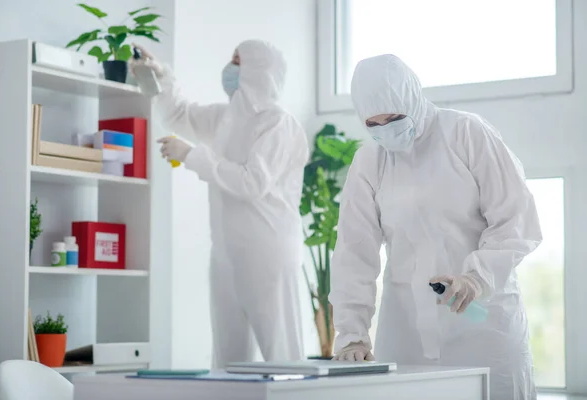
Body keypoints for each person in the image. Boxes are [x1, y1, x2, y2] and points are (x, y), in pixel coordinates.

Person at [329, 54, 542, 399]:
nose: (387, 130)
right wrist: (352, 333)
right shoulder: (370, 161)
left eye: (395, 118)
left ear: (413, 99)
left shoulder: (466, 134)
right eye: (374, 124)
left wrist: (476, 277)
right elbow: (354, 251)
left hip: (481, 323)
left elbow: (516, 218)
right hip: (405, 331)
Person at [129, 40, 308, 368]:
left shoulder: (277, 124)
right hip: (226, 252)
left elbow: (252, 182)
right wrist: (160, 75)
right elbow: (179, 113)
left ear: (258, 70)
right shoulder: (226, 118)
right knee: (228, 358)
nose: (230, 68)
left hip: (268, 252)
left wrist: (192, 155)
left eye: (238, 61)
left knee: (282, 357)